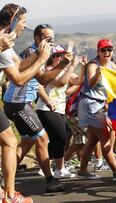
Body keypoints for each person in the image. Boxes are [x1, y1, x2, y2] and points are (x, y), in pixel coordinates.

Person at [3, 23, 68, 193]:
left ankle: (6, 177)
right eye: (47, 38)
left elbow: (35, 82)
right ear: (37, 38)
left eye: (52, 38)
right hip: (18, 104)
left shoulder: (40, 52)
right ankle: (50, 180)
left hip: (18, 103)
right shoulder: (33, 52)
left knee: (27, 141)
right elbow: (43, 79)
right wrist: (63, 65)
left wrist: (46, 101)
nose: (51, 42)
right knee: (42, 139)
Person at [0, 3, 53, 202]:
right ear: (12, 22)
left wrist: (39, 53)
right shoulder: (2, 43)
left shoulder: (5, 44)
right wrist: (42, 60)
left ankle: (8, 194)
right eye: (22, 22)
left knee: (10, 141)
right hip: (14, 102)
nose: (24, 26)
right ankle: (11, 196)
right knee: (11, 142)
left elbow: (20, 65)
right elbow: (19, 79)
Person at [76, 38, 116, 181]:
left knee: (92, 140)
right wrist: (97, 76)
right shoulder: (93, 65)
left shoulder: (110, 65)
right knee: (105, 138)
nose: (106, 52)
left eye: (109, 50)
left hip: (96, 106)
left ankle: (83, 170)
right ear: (98, 52)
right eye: (103, 50)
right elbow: (90, 85)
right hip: (91, 105)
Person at [35, 45, 84, 179]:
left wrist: (84, 67)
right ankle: (58, 168)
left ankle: (53, 167)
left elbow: (77, 81)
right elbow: (61, 83)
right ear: (52, 57)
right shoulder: (49, 70)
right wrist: (71, 66)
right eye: (58, 55)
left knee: (58, 139)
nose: (61, 58)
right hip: (46, 108)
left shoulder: (63, 71)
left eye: (62, 55)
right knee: (59, 137)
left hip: (59, 109)